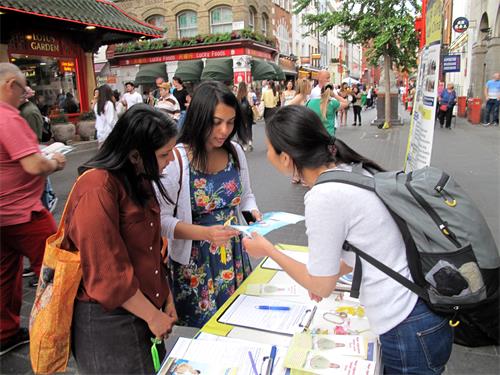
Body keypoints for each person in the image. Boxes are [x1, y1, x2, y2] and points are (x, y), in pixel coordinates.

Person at [243, 105, 453, 375]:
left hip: (407, 325)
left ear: (286, 158)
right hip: (422, 314)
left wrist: (268, 250)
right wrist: (330, 271)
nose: (267, 154)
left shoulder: (324, 196)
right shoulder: (351, 169)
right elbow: (369, 242)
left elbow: (322, 285)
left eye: (270, 148)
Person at [67, 104, 178, 373]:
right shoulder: (97, 187)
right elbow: (107, 272)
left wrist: (165, 296)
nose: (172, 160)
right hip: (110, 321)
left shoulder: (137, 177)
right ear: (135, 154)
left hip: (143, 308)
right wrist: (152, 315)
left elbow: (149, 248)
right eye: (164, 154)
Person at [159, 81, 261, 328]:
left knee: (236, 324)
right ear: (199, 117)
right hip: (194, 264)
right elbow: (162, 221)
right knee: (203, 332)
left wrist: (253, 219)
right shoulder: (177, 159)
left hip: (232, 255)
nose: (224, 130)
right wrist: (206, 234)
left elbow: (245, 196)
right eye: (216, 122)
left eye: (231, 122)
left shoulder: (235, 152)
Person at [0, 63, 66, 356]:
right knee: (55, 265)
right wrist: (54, 161)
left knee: (5, 273)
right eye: (22, 87)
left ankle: (6, 331)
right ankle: (53, 328)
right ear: (9, 84)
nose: (25, 93)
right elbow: (34, 164)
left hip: (3, 214)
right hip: (22, 211)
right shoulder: (7, 117)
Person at [236, 82, 255, 151]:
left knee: (242, 128)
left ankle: (244, 145)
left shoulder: (237, 96)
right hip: (248, 113)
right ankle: (250, 142)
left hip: (240, 114)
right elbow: (252, 104)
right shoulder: (249, 94)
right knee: (249, 127)